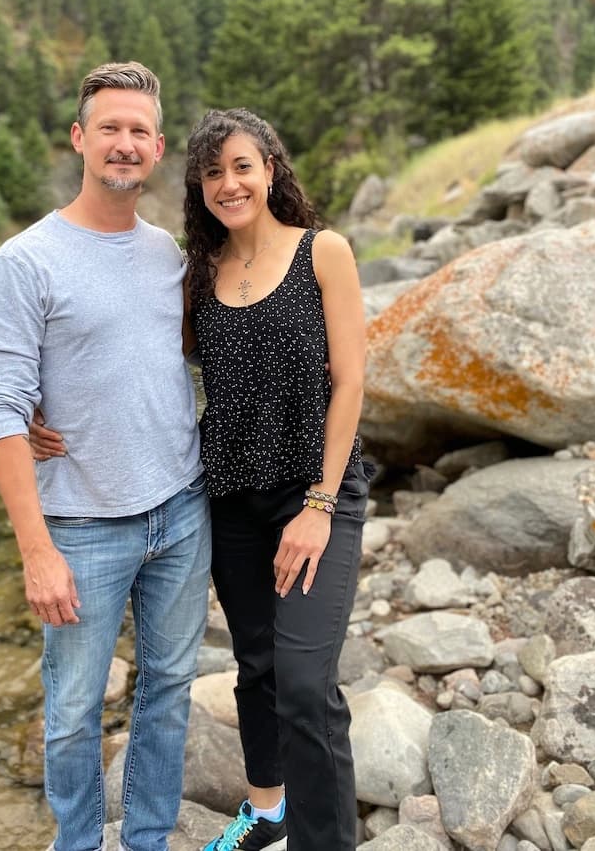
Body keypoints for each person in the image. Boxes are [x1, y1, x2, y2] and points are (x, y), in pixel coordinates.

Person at [32, 106, 372, 851]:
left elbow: (350, 383)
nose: (229, 182)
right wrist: (38, 406)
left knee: (306, 683)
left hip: (314, 492)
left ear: (271, 169)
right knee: (255, 664)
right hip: (230, 496)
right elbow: (129, 353)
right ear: (198, 186)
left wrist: (319, 502)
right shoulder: (198, 272)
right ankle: (269, 811)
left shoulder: (325, 252)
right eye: (212, 172)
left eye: (242, 166)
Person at [0, 61, 210, 851]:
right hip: (79, 526)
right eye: (109, 126)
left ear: (158, 147)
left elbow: (177, 355)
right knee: (72, 710)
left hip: (181, 511)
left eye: (139, 130)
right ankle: (76, 842)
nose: (125, 142)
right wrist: (35, 549)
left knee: (170, 689)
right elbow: (1, 406)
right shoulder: (24, 261)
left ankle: (145, 840)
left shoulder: (168, 252)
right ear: (80, 138)